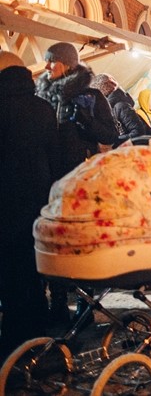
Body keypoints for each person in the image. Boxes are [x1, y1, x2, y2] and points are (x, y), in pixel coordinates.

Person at [35, 41, 119, 325]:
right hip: (48, 179)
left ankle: (85, 302)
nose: (46, 67)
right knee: (55, 240)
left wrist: (86, 122)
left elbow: (110, 134)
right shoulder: (42, 95)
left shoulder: (90, 96)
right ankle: (58, 301)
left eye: (52, 61)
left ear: (68, 64)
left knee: (82, 239)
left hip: (82, 180)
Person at [0, 51, 61, 360]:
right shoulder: (43, 107)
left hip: (6, 205)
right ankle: (37, 344)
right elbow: (55, 157)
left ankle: (14, 349)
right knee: (31, 277)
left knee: (10, 280)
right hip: (38, 203)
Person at [91, 73, 151, 146]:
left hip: (145, 152)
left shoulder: (120, 106)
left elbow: (138, 132)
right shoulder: (112, 107)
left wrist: (114, 141)